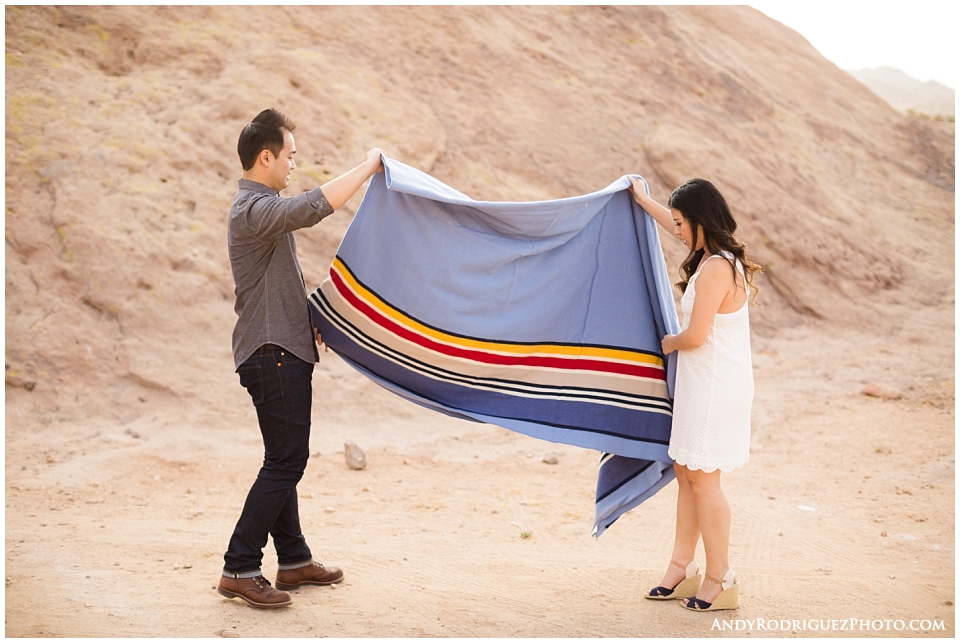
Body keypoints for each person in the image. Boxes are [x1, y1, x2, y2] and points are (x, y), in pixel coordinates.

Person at [218, 108, 383, 609]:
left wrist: (308, 318)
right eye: (289, 155)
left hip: (278, 348)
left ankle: (292, 560)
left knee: (281, 460)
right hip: (273, 355)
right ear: (265, 156)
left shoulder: (261, 210)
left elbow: (277, 283)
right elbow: (311, 208)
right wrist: (368, 167)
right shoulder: (253, 211)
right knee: (287, 461)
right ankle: (239, 566)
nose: (294, 163)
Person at [628, 176, 760, 612]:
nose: (677, 230)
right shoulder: (712, 257)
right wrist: (643, 200)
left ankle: (721, 577)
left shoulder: (718, 268)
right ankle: (680, 567)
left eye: (683, 223)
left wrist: (665, 342)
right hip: (701, 384)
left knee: (704, 480)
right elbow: (674, 222)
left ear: (701, 220)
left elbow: (697, 336)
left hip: (715, 387)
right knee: (686, 474)